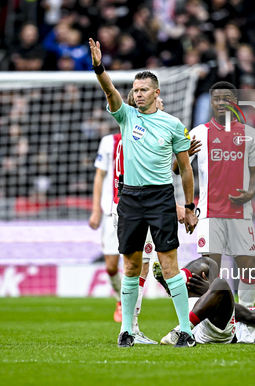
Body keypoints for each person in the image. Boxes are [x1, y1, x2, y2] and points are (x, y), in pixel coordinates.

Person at [89, 38, 198, 348]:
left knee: (169, 265)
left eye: (143, 90)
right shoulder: (125, 116)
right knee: (131, 266)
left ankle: (185, 331)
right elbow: (109, 90)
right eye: (134, 90)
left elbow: (185, 169)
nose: (137, 94)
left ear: (156, 93)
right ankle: (126, 331)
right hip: (130, 198)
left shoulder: (174, 125)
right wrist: (99, 67)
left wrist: (189, 206)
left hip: (161, 197)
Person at [173, 81, 255, 309]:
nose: (222, 102)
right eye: (217, 99)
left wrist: (250, 193)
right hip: (209, 213)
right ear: (211, 103)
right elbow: (177, 169)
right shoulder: (198, 133)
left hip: (240, 212)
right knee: (211, 270)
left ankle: (246, 316)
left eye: (227, 98)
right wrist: (183, 155)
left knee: (249, 266)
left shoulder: (249, 134)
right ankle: (216, 320)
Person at [88, 92, 166, 344]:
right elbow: (101, 175)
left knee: (135, 268)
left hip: (131, 208)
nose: (160, 104)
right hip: (129, 208)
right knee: (125, 267)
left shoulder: (149, 134)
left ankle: (129, 324)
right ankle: (129, 323)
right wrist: (96, 209)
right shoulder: (115, 141)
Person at [159, 257, 255, 345]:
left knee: (221, 284)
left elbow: (247, 315)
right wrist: (209, 292)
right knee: (210, 264)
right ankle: (175, 283)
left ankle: (181, 331)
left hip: (222, 332)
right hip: (202, 317)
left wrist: (208, 291)